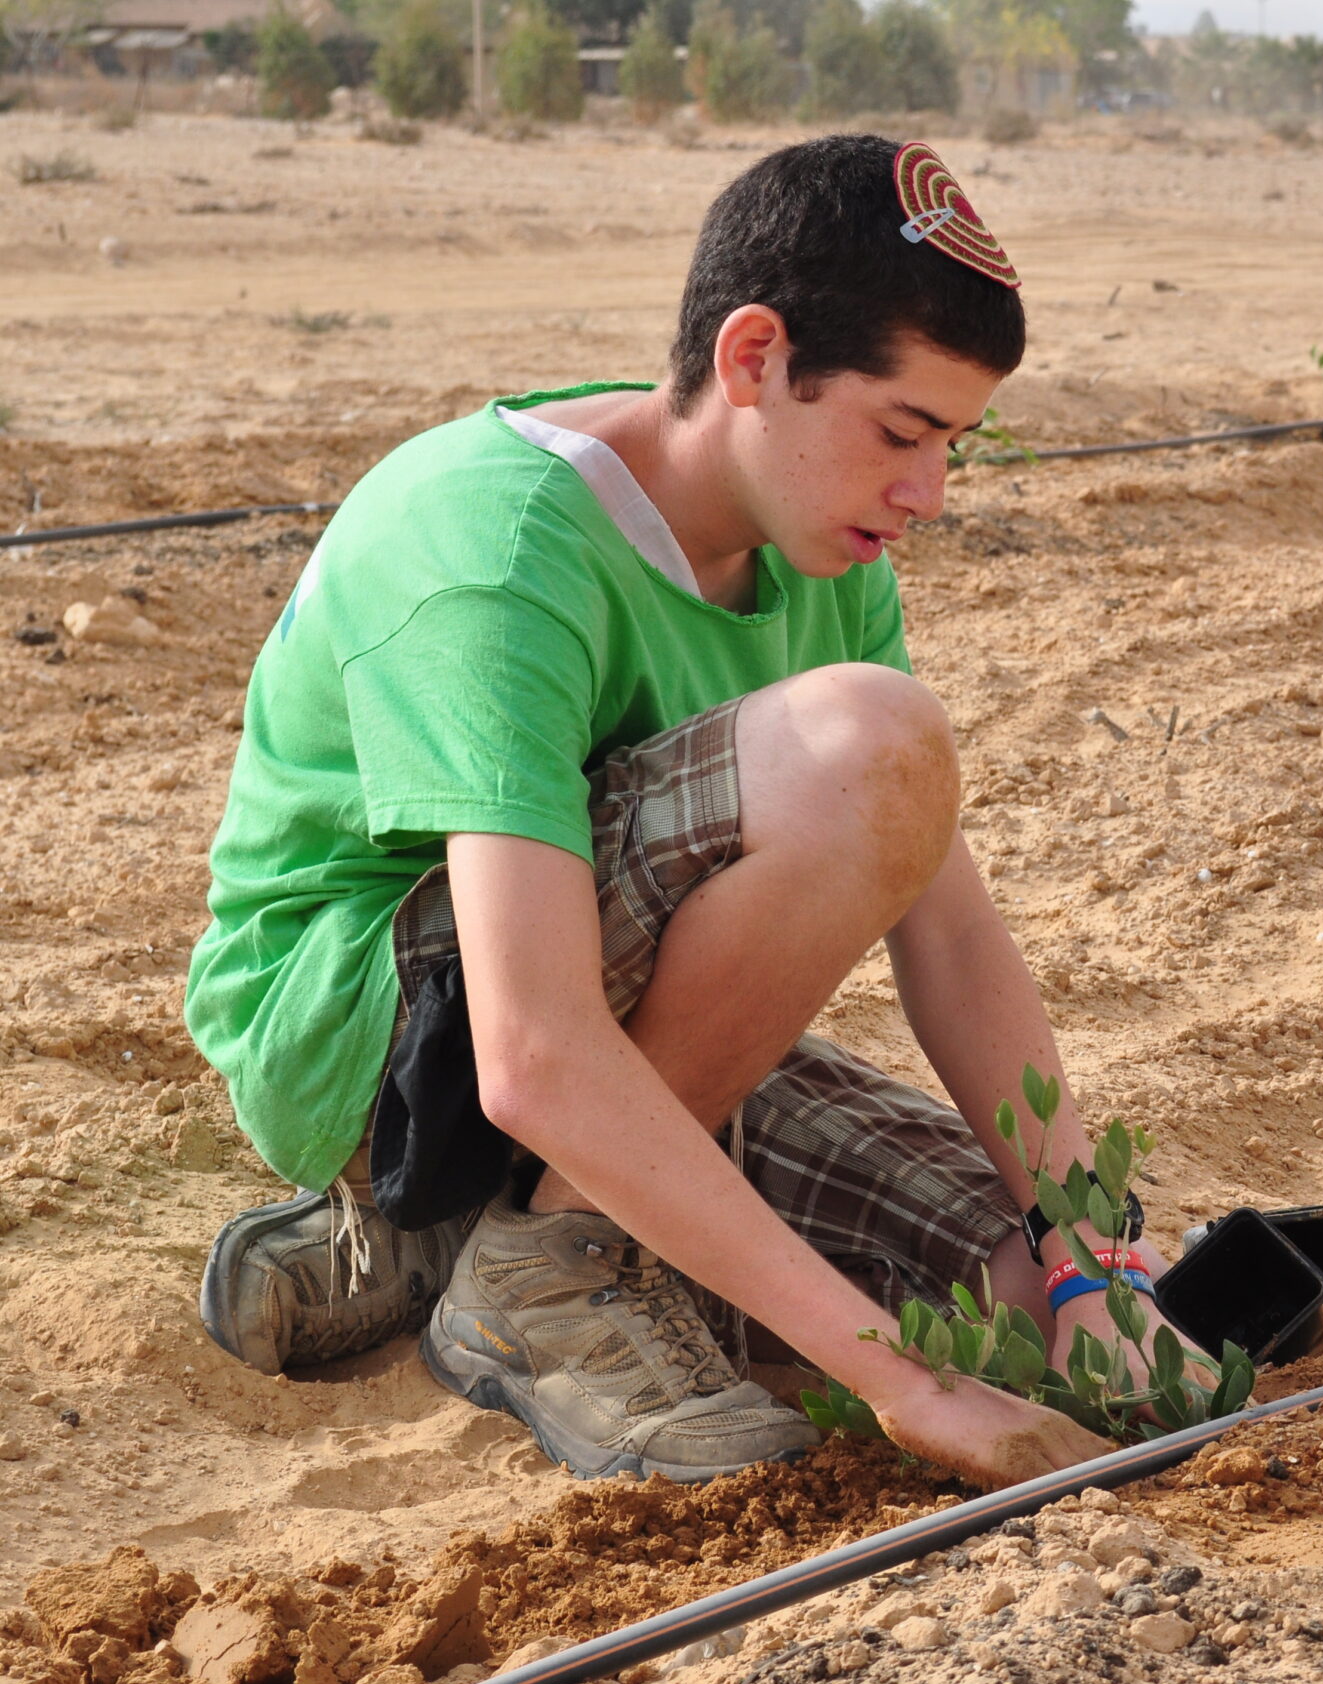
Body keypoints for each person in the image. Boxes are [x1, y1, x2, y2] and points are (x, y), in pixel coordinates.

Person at [185, 135, 1179, 1489]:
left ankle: (437, 1241)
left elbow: (946, 934)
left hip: (620, 1014)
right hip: (382, 1035)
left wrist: (1092, 1258)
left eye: (953, 444)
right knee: (870, 745)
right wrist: (897, 1383)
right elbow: (532, 1049)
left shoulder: (819, 532)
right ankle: (530, 1266)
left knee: (1020, 1300)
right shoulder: (498, 546)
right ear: (753, 357)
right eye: (903, 433)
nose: (927, 494)